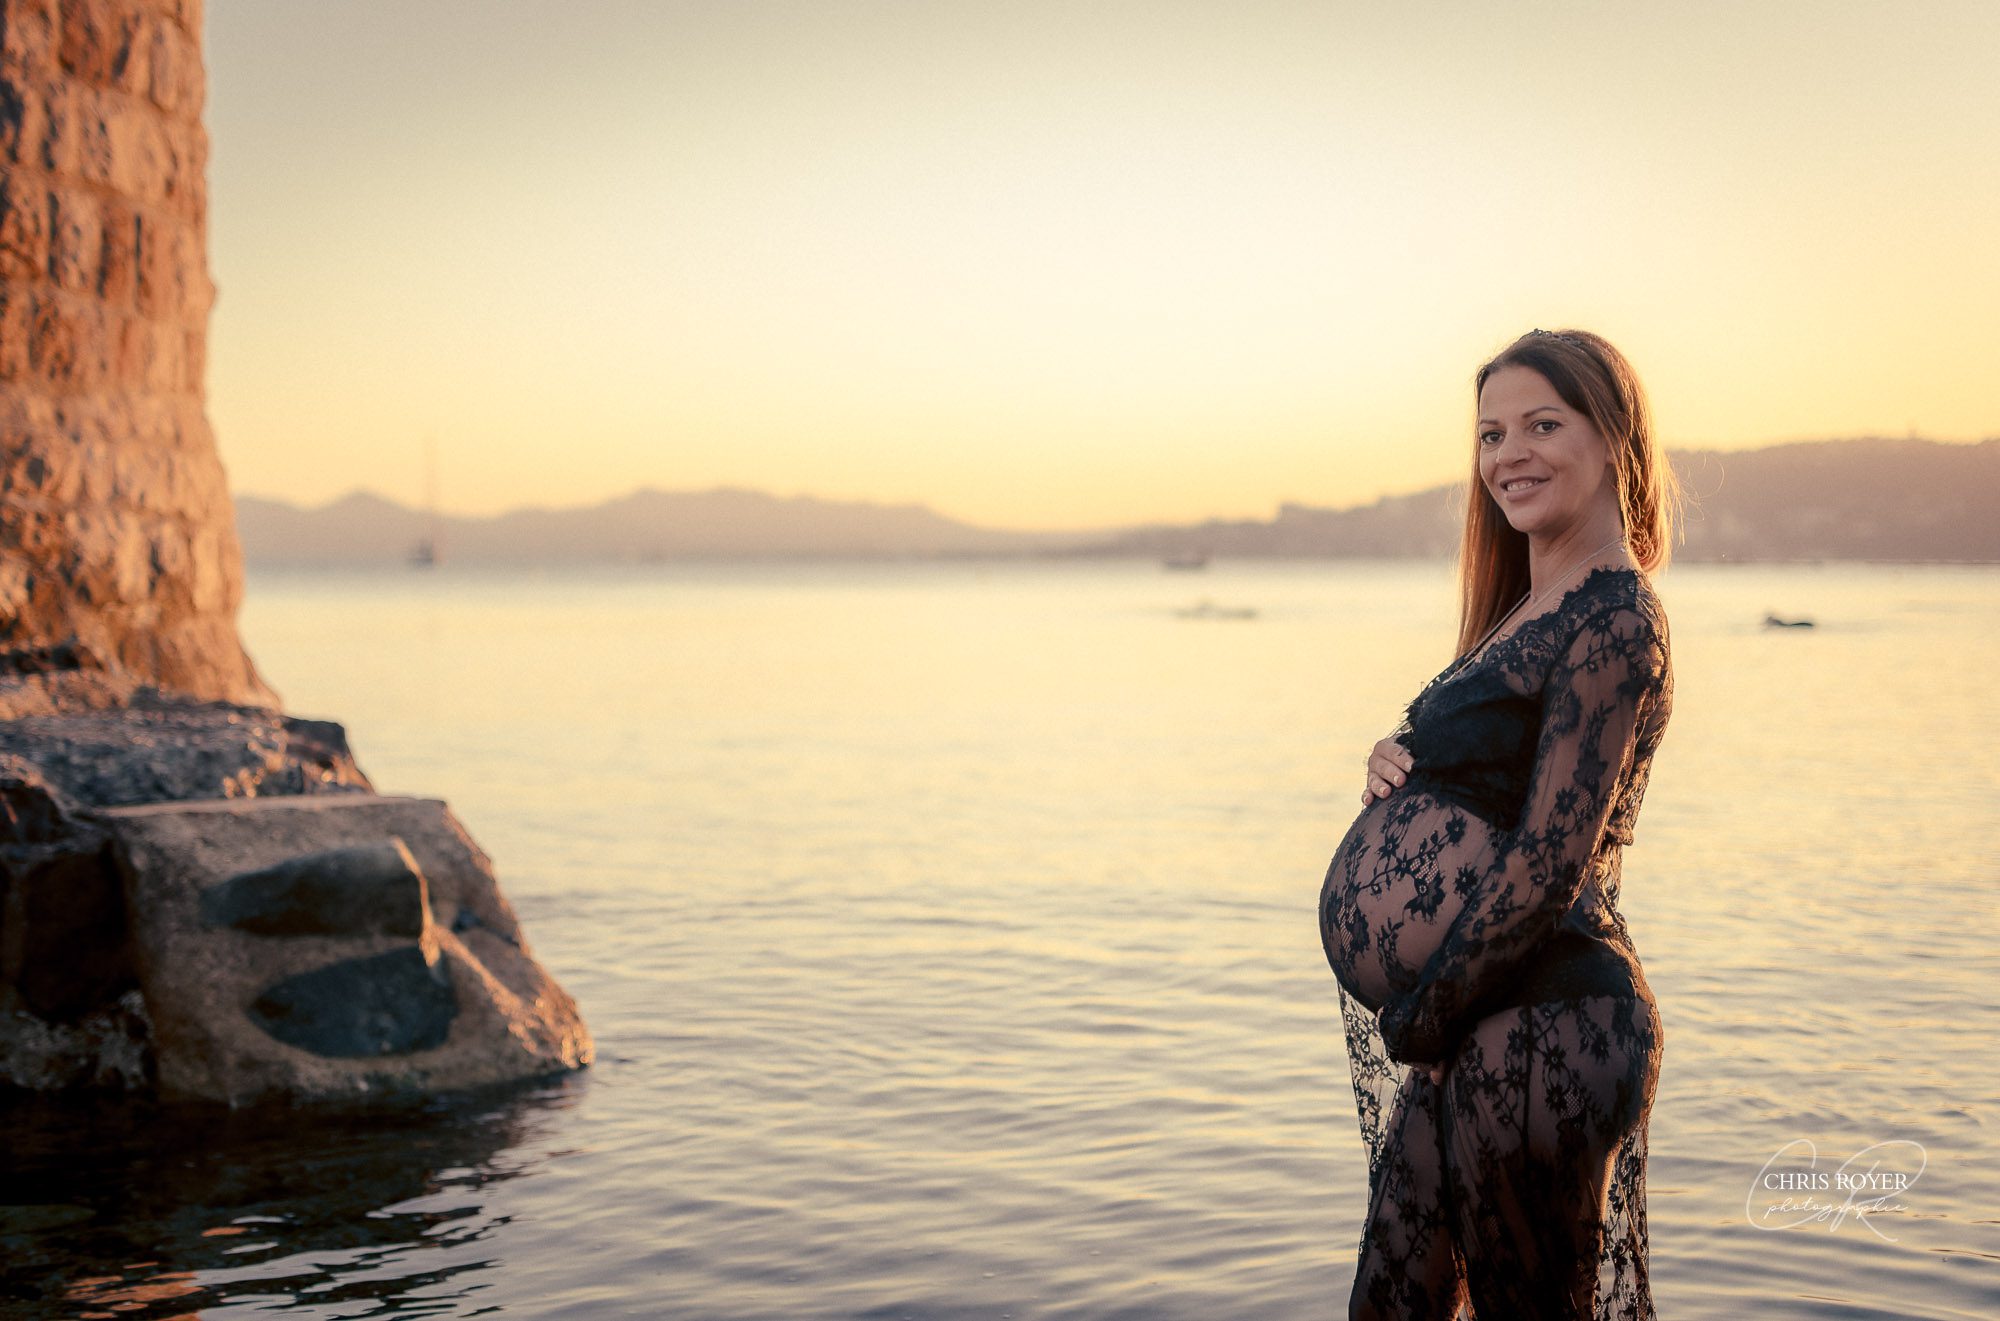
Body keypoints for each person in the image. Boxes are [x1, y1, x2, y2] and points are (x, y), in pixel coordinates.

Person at [1316, 328, 1684, 1319]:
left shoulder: (1612, 617)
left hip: (1544, 1026)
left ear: (1611, 438)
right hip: (1477, 1025)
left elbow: (1549, 860)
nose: (1506, 453)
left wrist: (1423, 1012)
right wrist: (1396, 765)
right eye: (1488, 433)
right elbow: (1488, 788)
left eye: (1538, 425)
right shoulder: (1521, 610)